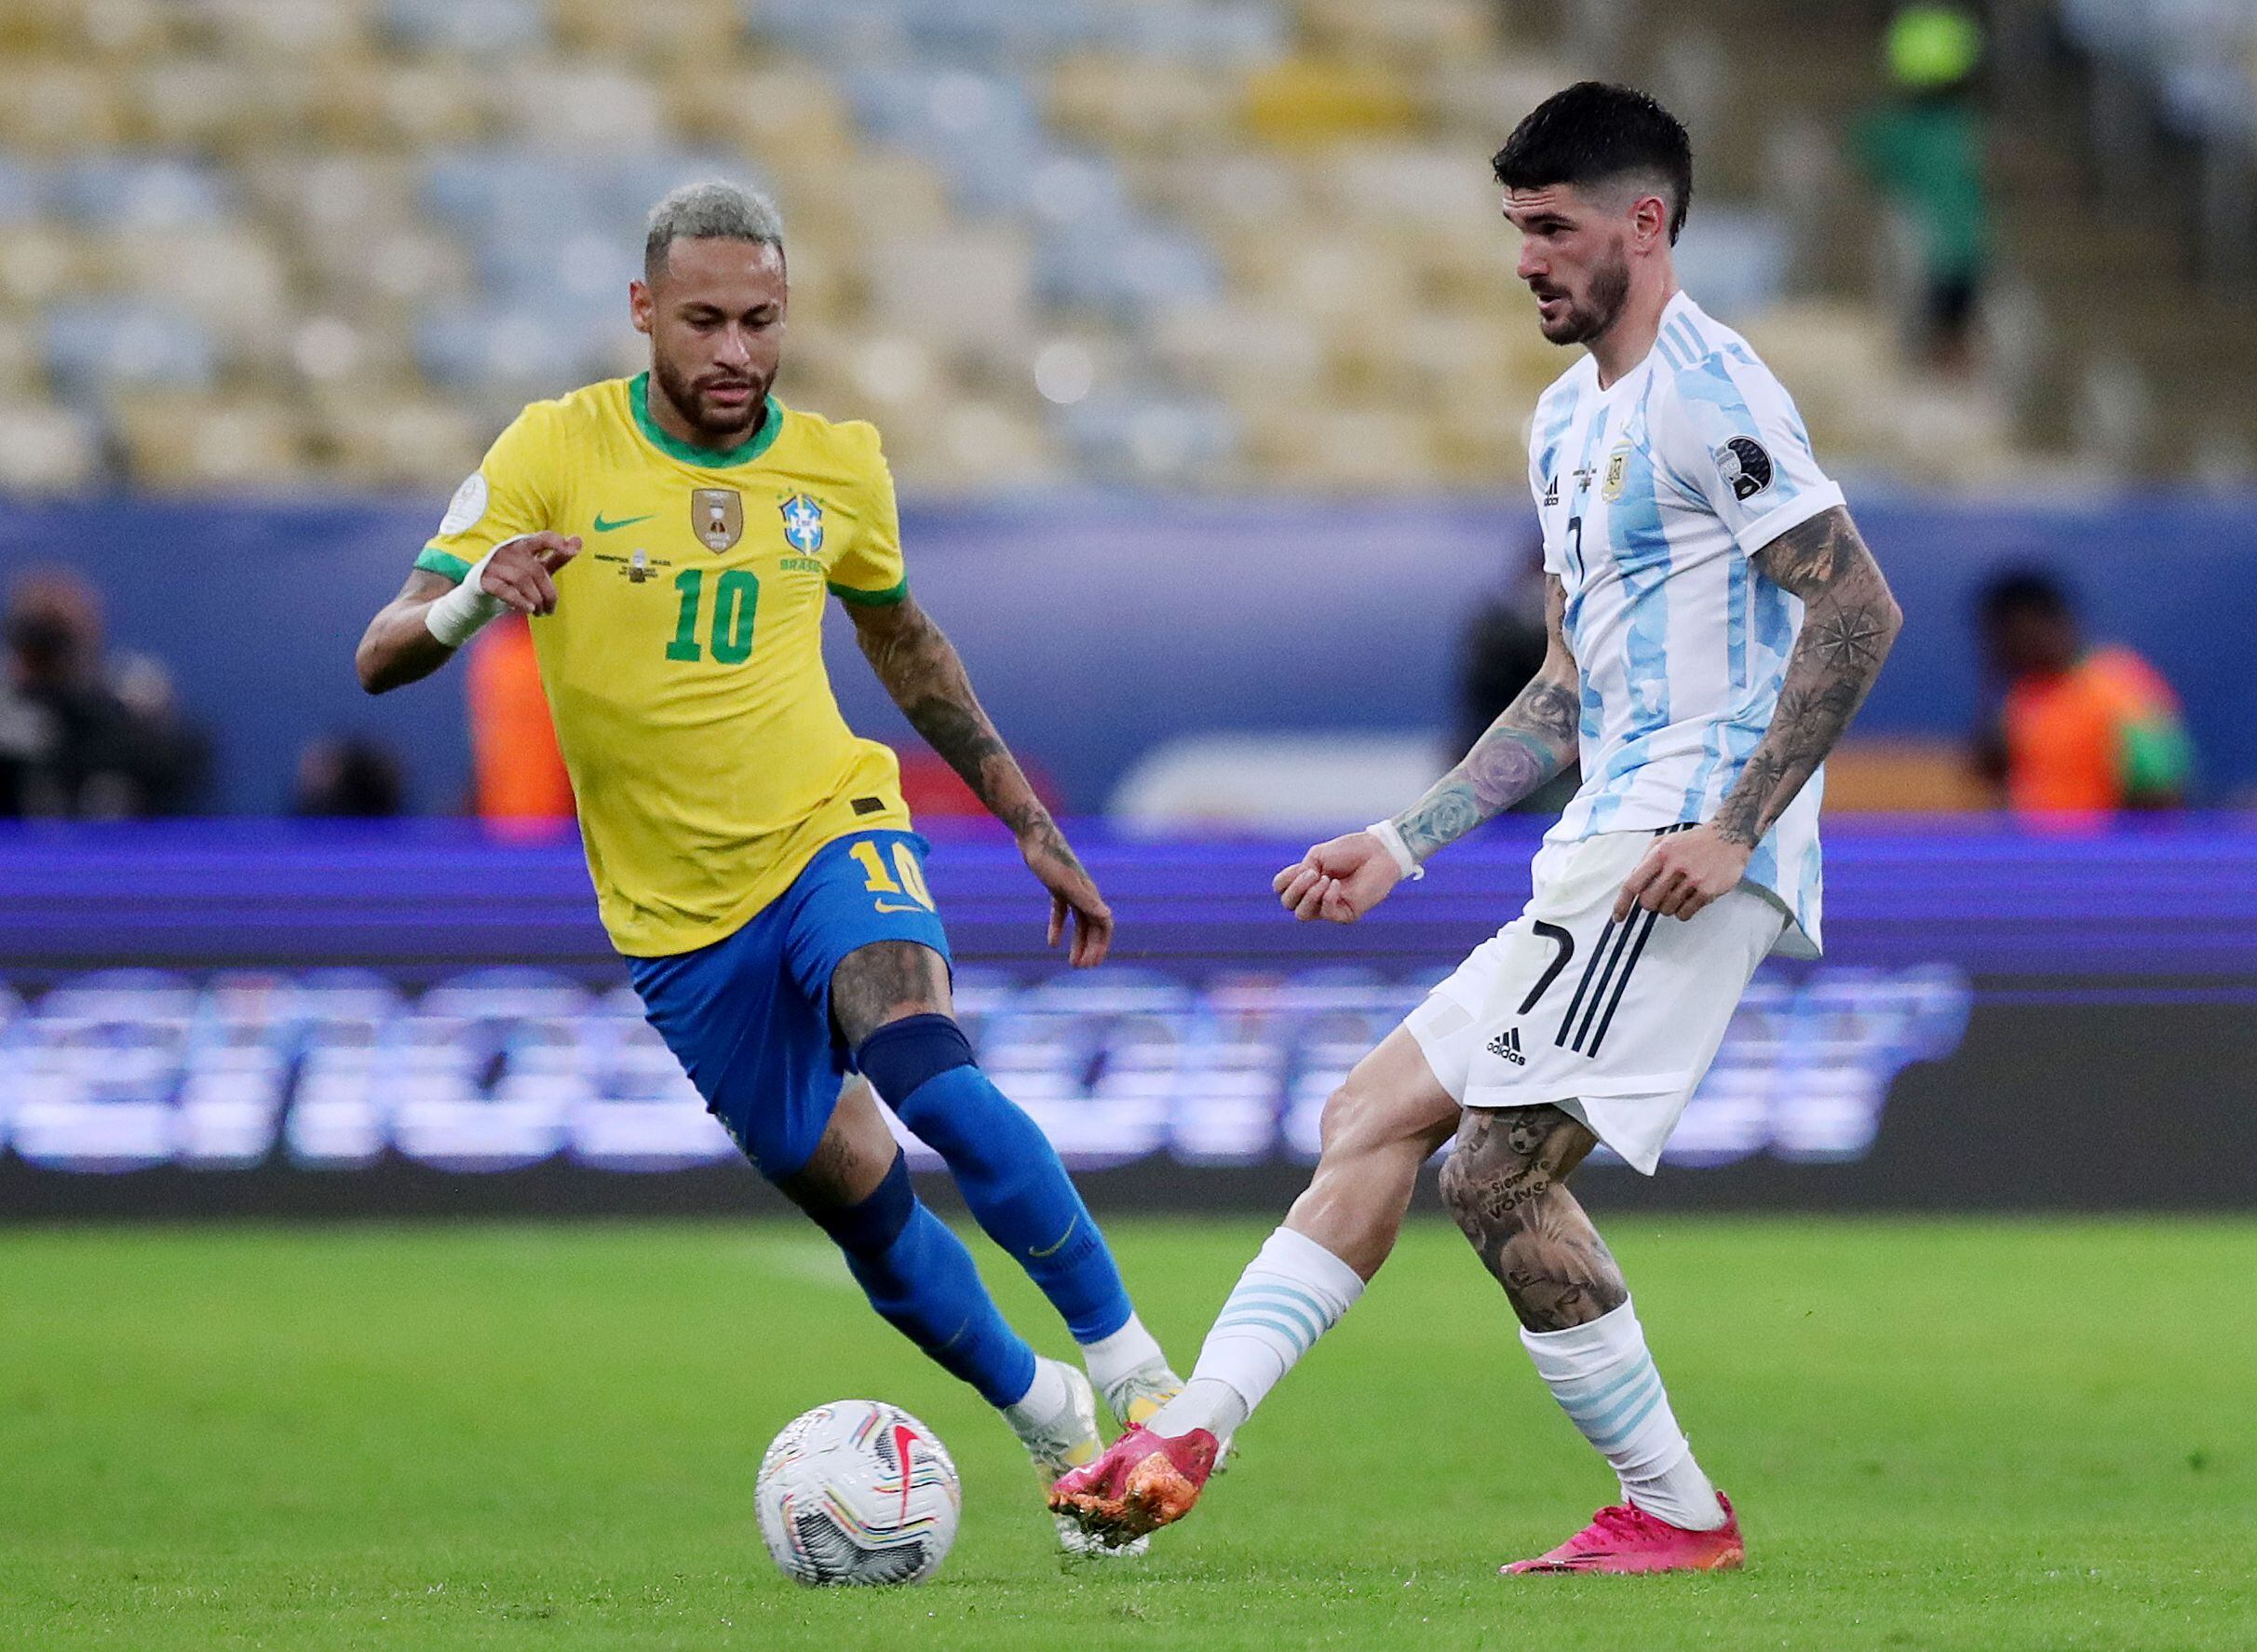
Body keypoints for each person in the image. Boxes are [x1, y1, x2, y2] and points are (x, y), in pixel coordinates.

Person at [1053, 83, 1902, 1574]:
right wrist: (1407, 837)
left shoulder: (1714, 391)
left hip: (1682, 856)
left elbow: (1858, 606)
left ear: (1646, 223)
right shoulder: (1567, 420)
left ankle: (1677, 1512)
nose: (1525, 259)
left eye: (1551, 228)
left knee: (1494, 1172)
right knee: (1367, 1116)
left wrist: (1733, 828)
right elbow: (1569, 689)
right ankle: (1187, 1432)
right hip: (1606, 840)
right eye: (1515, 229)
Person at [353, 181, 1181, 1550]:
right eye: (704, 322)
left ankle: (1140, 1374)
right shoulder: (553, 449)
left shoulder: (836, 464)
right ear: (643, 314)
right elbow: (378, 651)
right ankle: (1045, 1412)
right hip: (676, 922)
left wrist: (1026, 819)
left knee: (924, 1057)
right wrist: (467, 596)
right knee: (861, 1204)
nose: (736, 352)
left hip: (828, 828)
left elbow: (907, 645)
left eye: (761, 321)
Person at [1975, 568, 2191, 814]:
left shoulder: (2117, 686)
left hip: (2101, 849)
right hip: (2042, 850)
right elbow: (1989, 771)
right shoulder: (2023, 698)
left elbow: (2160, 787)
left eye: (2008, 636)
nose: (2003, 649)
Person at [0, 567, 209, 819]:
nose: (47, 654)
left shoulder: (125, 716)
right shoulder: (7, 716)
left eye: (58, 639)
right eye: (35, 637)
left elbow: (178, 771)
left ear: (89, 639)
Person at [1854, 4, 1990, 372]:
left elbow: (1863, 154)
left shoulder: (1899, 132)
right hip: (1965, 254)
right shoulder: (1964, 130)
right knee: (1952, 343)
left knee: (1930, 351)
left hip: (1932, 257)